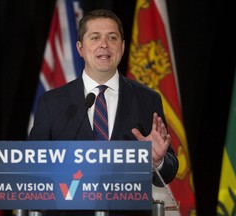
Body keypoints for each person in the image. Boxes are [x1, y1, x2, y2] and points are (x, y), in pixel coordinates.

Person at [28, 9, 179, 216]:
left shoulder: (147, 99)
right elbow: (32, 168)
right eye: (95, 37)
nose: (104, 45)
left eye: (112, 37)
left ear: (123, 47)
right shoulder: (52, 102)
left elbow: (170, 168)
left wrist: (157, 161)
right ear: (80, 48)